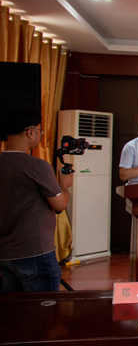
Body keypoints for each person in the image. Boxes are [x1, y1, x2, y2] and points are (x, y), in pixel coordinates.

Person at [0, 109, 74, 292]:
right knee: (44, 307)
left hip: (6, 252)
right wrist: (64, 186)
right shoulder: (37, 166)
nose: (41, 135)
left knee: (14, 308)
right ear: (30, 132)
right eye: (40, 131)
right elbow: (60, 204)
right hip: (35, 251)